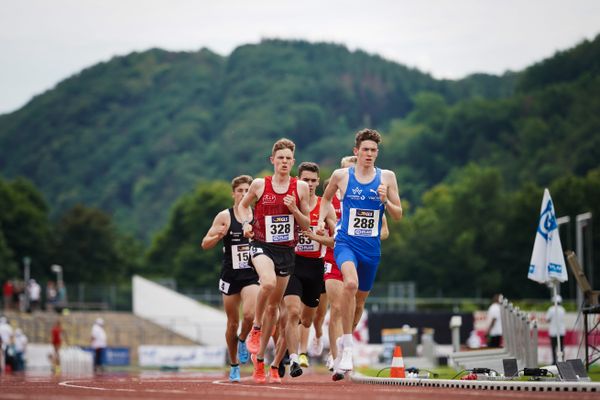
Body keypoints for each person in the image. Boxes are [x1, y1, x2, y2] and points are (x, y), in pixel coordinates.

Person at [319, 128, 403, 376]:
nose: (369, 154)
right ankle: (346, 349)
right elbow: (325, 199)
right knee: (350, 285)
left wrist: (386, 200)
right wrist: (320, 221)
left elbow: (398, 216)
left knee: (359, 303)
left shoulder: (387, 177)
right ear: (356, 152)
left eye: (373, 150)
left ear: (377, 153)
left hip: (371, 249)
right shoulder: (341, 175)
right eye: (365, 150)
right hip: (346, 243)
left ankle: (347, 338)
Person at [238, 138, 311, 384]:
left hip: (286, 251)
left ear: (293, 161)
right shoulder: (260, 184)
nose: (284, 162)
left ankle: (261, 365)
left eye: (288, 158)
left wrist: (295, 210)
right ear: (272, 160)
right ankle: (256, 329)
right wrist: (247, 223)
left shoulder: (300, 188)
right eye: (280, 158)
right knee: (266, 284)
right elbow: (243, 206)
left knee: (274, 309)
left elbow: (307, 223)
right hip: (261, 245)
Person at [274, 161, 336, 380]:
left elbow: (336, 242)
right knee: (291, 312)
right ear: (297, 180)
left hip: (315, 267)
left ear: (318, 182)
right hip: (292, 263)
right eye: (305, 180)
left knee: (306, 320)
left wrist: (317, 236)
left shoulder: (324, 206)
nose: (309, 184)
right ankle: (291, 359)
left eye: (312, 180)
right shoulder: (288, 201)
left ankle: (283, 353)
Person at [201, 175, 260, 383]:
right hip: (230, 274)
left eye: (248, 191)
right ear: (233, 193)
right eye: (241, 191)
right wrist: (217, 236)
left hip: (252, 273)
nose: (244, 194)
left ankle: (243, 339)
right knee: (232, 323)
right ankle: (234, 364)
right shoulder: (224, 216)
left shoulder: (258, 214)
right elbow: (205, 243)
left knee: (250, 314)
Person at [546, 294, 566, 365]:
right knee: (561, 347)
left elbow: (547, 319)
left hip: (553, 331)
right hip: (561, 331)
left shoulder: (551, 309)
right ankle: (562, 361)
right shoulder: (562, 309)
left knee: (553, 348)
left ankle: (554, 361)